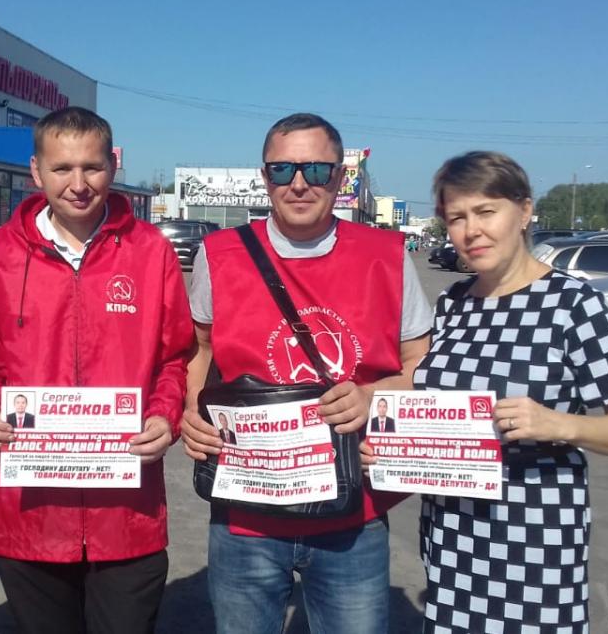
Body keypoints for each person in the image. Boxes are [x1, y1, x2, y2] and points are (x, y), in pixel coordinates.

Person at [180, 113, 433, 634]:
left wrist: (374, 395)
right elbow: (198, 350)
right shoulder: (219, 254)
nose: (299, 183)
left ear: (339, 177)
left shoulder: (386, 256)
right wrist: (191, 413)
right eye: (283, 169)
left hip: (353, 517)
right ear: (264, 176)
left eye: (316, 169)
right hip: (245, 514)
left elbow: (423, 364)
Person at [0, 107, 194, 634]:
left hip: (126, 511)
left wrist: (164, 416)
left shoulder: (150, 252)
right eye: (62, 168)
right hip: (29, 511)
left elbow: (174, 358)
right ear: (36, 171)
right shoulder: (1, 253)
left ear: (113, 166)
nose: (79, 184)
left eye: (92, 167)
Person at [413, 151, 608, 633]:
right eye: (457, 218)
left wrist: (559, 423)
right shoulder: (452, 304)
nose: (471, 230)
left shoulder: (574, 304)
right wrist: (396, 448)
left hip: (534, 540)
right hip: (450, 533)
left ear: (524, 211)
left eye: (486, 212)